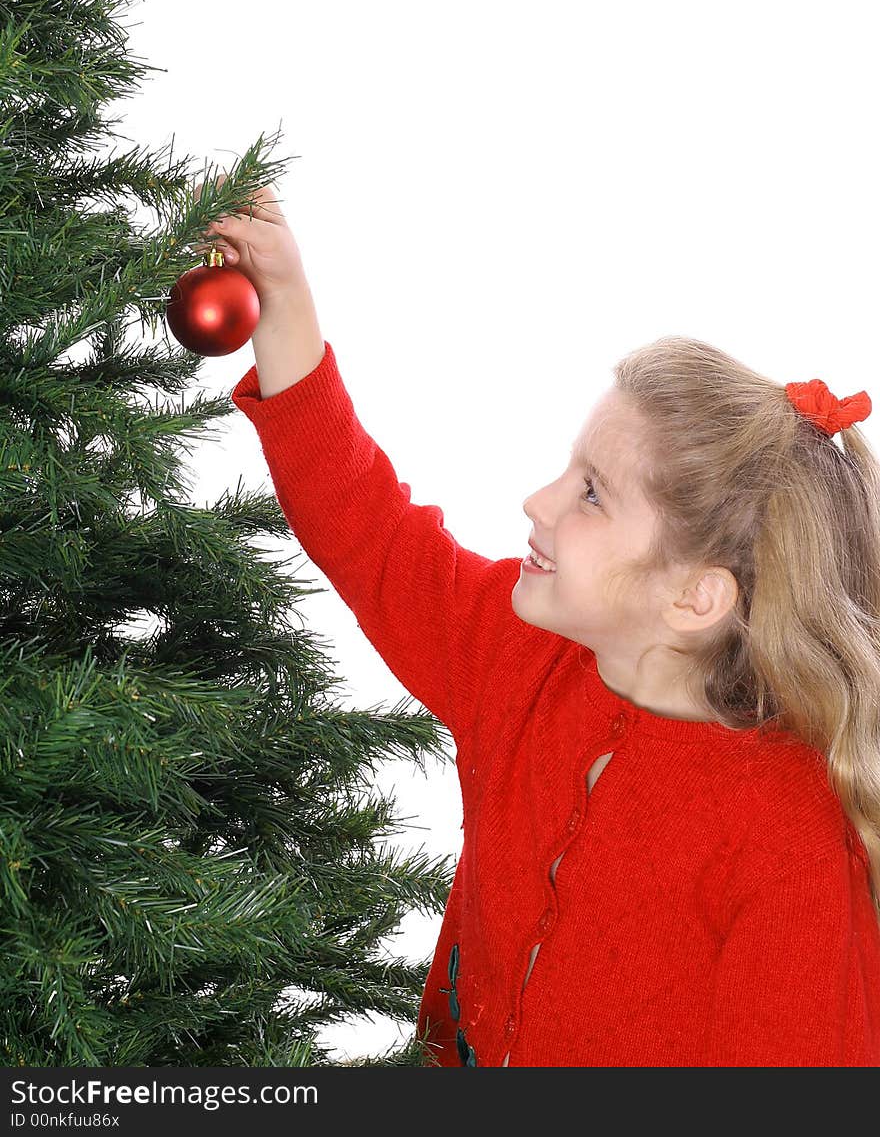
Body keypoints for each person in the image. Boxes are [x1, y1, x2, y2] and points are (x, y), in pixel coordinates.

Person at [199, 177, 880, 1067]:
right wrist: (285, 305)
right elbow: (366, 529)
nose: (539, 501)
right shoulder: (518, 655)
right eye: (568, 469)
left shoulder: (784, 846)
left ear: (695, 598)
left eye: (591, 493)